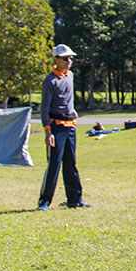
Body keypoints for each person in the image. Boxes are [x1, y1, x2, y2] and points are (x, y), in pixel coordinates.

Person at [37, 44, 90, 211]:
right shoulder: (50, 80)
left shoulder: (70, 76)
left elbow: (67, 97)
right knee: (54, 164)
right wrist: (48, 131)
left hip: (70, 126)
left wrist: (71, 109)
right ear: (56, 59)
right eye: (65, 59)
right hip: (56, 127)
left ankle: (75, 199)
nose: (69, 61)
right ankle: (44, 201)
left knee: (70, 163)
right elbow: (44, 108)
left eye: (70, 58)